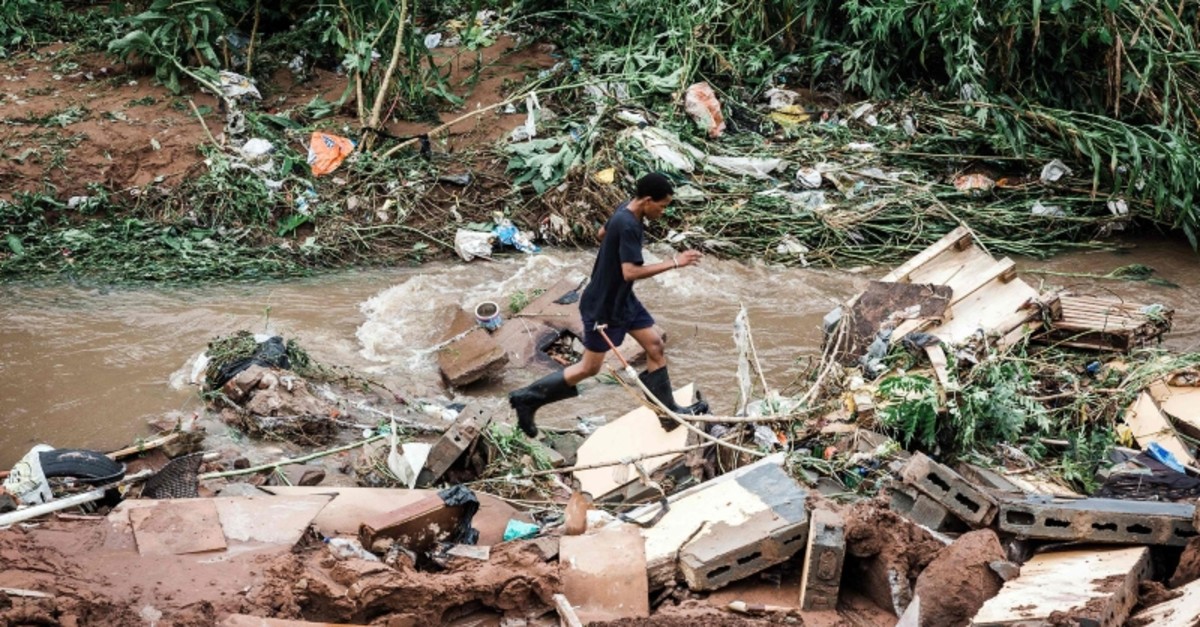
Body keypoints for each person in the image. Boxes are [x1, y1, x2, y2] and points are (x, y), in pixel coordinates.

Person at [508, 172, 709, 438]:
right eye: (661, 207)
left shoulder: (626, 209)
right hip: (605, 307)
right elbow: (630, 272)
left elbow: (602, 233)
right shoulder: (629, 225)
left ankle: (667, 413)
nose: (662, 212)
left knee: (655, 345)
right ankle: (527, 398)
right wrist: (675, 262)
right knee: (589, 368)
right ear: (648, 200)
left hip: (622, 300)